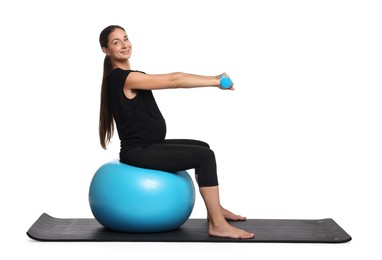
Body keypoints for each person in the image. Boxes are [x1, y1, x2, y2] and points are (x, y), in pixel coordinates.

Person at [98, 25, 254, 239]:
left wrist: (214, 80)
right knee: (205, 157)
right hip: (139, 151)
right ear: (106, 50)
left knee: (203, 147)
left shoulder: (127, 76)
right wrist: (214, 81)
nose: (125, 45)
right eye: (116, 42)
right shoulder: (123, 78)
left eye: (126, 38)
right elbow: (175, 80)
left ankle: (215, 211)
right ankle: (218, 225)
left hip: (150, 144)